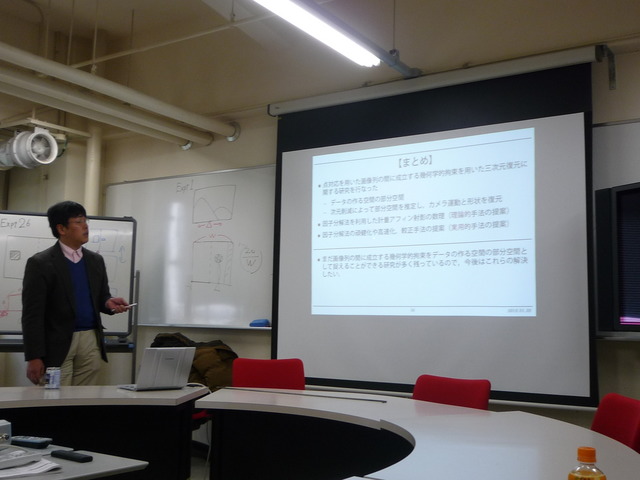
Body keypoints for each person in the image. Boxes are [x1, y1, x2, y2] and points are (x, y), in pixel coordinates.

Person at [21, 201, 130, 386]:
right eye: (78, 222)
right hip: (56, 341)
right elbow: (32, 314)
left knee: (85, 398)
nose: (85, 226)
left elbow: (101, 296)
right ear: (61, 229)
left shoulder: (95, 260)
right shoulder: (41, 263)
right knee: (54, 398)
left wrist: (108, 303)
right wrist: (34, 356)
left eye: (85, 221)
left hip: (90, 339)